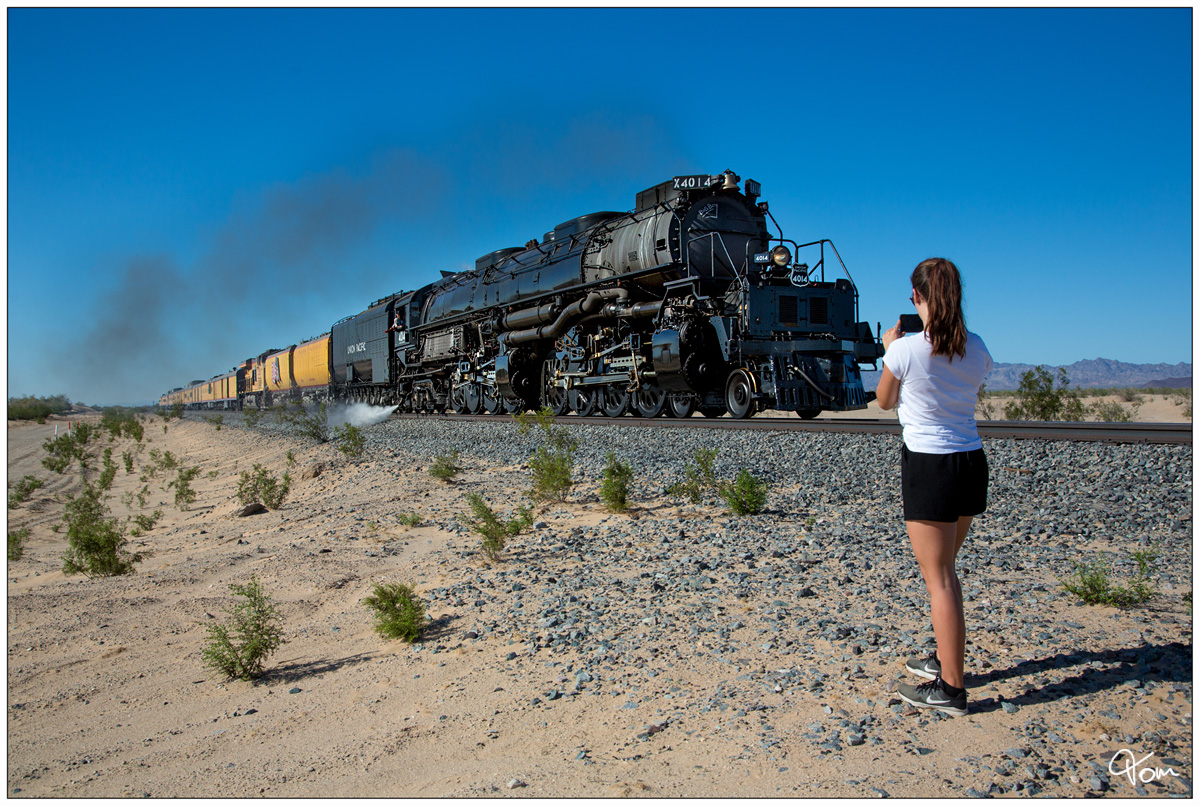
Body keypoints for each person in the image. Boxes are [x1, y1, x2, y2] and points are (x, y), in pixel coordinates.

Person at [876, 257, 992, 716]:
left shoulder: (906, 350)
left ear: (919, 297)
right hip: (970, 461)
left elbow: (884, 401)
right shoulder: (977, 347)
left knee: (940, 579)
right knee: (946, 572)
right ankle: (945, 661)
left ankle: (951, 690)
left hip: (930, 466)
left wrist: (890, 350)